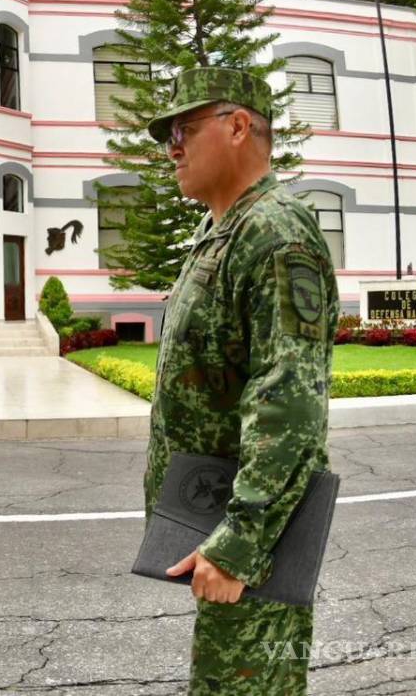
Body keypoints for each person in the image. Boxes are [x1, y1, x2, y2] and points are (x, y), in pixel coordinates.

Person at [144, 67, 339, 695]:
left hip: (253, 534)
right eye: (166, 136)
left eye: (183, 129)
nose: (171, 147)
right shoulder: (218, 231)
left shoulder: (275, 230)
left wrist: (239, 544)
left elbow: (288, 403)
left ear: (236, 127)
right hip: (212, 515)